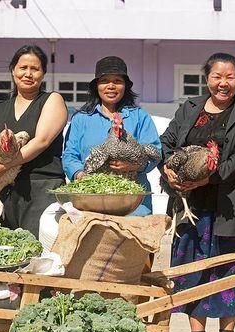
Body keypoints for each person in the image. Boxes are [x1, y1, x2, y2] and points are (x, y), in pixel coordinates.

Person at [160, 53, 235, 332]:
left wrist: (212, 176)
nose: (223, 83)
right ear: (206, 78)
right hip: (192, 205)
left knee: (230, 271)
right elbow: (167, 142)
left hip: (231, 205)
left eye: (230, 77)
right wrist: (168, 168)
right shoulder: (190, 108)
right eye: (217, 76)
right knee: (192, 272)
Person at [0, 45, 67, 237]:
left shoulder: (52, 100)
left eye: (35, 69)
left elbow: (41, 141)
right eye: (23, 68)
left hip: (40, 187)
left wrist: (3, 167)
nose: (28, 73)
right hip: (2, 190)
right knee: (2, 248)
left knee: (38, 248)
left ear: (43, 73)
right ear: (13, 70)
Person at [62, 56, 161, 216]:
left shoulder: (140, 117)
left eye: (117, 81)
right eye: (105, 81)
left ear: (125, 86)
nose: (111, 86)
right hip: (91, 198)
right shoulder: (81, 119)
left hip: (133, 201)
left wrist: (134, 166)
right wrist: (81, 176)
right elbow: (69, 155)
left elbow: (155, 152)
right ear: (97, 86)